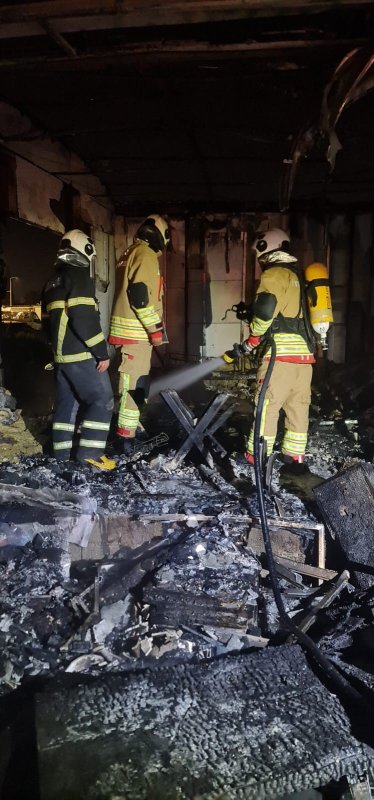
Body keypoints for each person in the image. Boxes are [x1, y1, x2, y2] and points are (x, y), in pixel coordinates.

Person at [241, 228, 315, 467]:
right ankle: (294, 459)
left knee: (267, 407)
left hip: (279, 358)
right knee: (298, 408)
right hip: (304, 359)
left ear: (266, 249)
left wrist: (253, 338)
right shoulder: (298, 277)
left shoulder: (274, 274)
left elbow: (265, 310)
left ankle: (257, 456)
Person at [43, 229, 115, 470]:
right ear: (86, 251)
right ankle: (90, 456)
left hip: (62, 359)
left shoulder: (52, 282)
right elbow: (83, 317)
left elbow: (47, 323)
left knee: (67, 405)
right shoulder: (80, 276)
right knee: (102, 401)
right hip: (82, 356)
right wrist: (101, 352)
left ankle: (61, 457)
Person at [108, 214, 169, 451]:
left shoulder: (131, 252)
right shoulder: (146, 254)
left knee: (134, 384)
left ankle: (130, 429)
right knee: (134, 385)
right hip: (137, 334)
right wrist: (155, 330)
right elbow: (141, 296)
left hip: (131, 334)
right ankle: (126, 437)